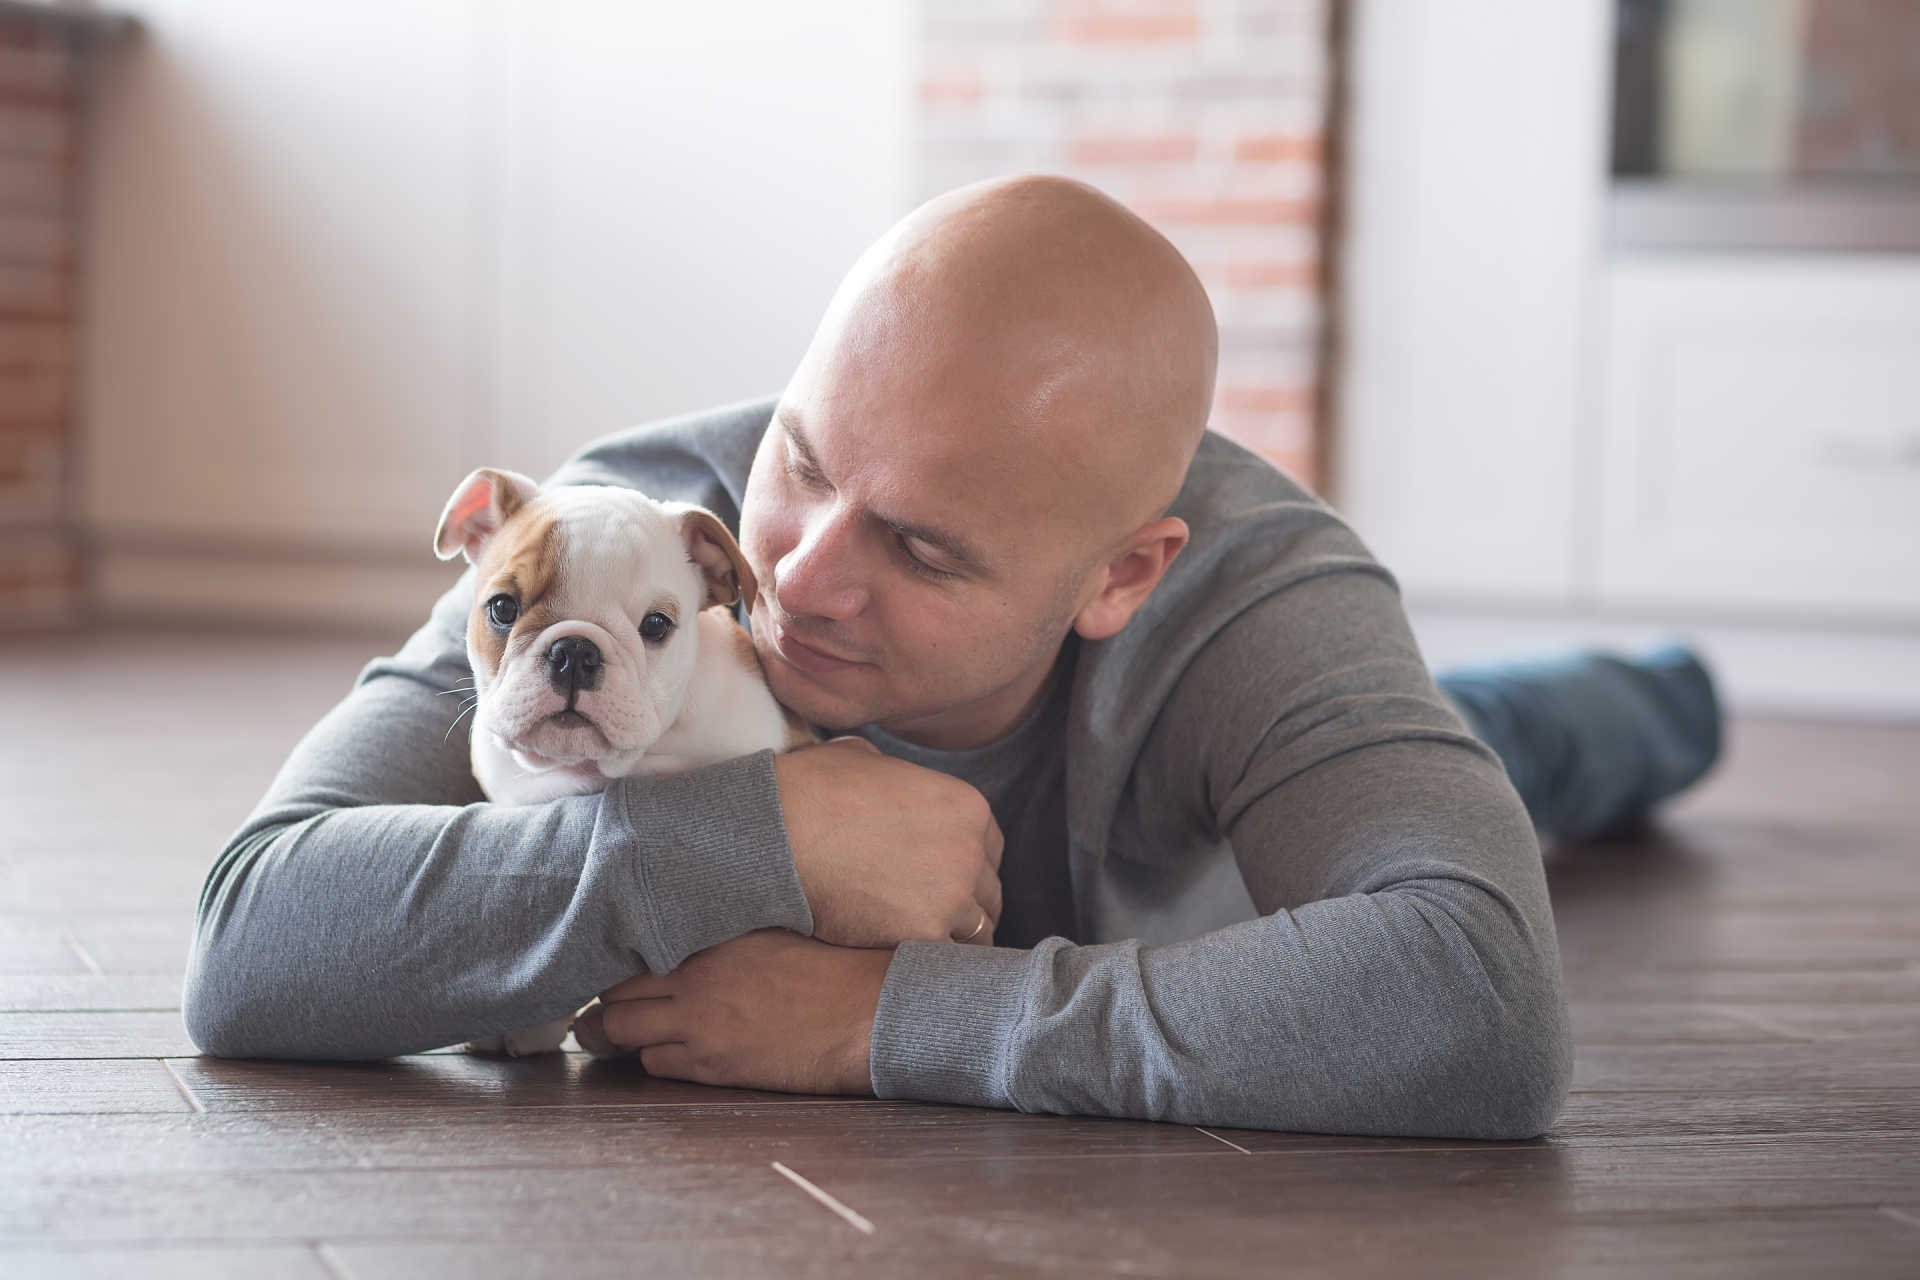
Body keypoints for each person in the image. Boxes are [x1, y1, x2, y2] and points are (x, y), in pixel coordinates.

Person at [183, 174, 1721, 1140]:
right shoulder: (629, 542)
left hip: (1272, 820)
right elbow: (256, 936)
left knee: (1521, 745)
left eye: (921, 548)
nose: (795, 576)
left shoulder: (1266, 593)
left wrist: (885, 1023)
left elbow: (1481, 998)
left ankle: (1662, 688)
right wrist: (749, 839)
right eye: (800, 459)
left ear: (1122, 572)